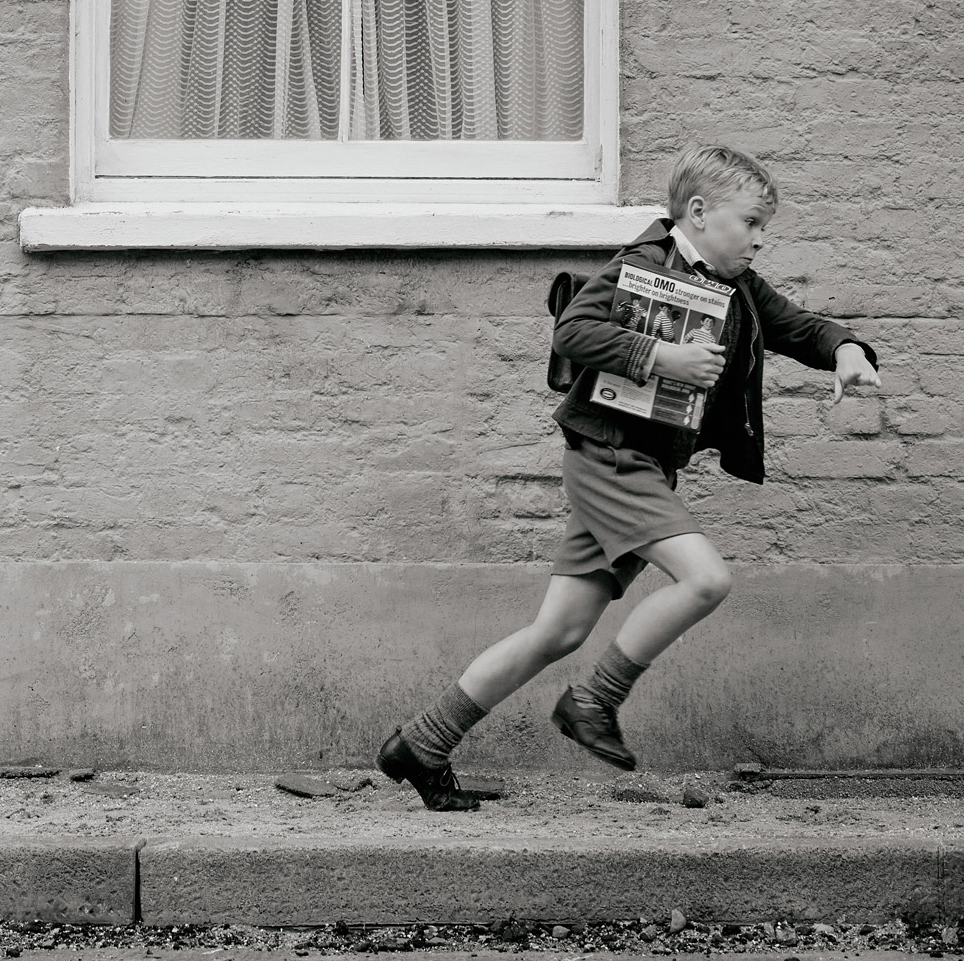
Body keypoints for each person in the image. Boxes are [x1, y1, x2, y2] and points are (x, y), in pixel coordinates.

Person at [375, 145, 881, 809]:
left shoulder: (739, 287)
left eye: (764, 227)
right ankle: (594, 701)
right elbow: (574, 332)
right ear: (698, 212)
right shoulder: (642, 263)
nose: (759, 238)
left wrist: (846, 350)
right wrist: (662, 355)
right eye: (750, 222)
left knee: (557, 632)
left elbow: (800, 326)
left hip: (639, 466)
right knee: (705, 580)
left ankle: (422, 743)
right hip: (610, 458)